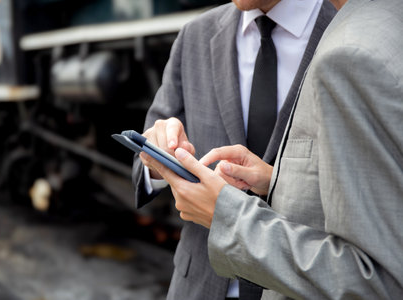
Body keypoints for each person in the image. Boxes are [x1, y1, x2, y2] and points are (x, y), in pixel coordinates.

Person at [142, 0, 403, 298]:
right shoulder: (195, 34)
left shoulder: (351, 35)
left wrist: (278, 181)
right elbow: (150, 140)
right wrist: (157, 160)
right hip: (201, 285)